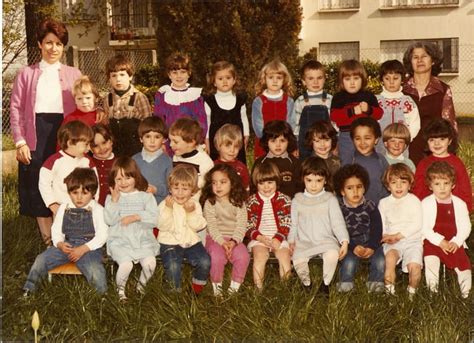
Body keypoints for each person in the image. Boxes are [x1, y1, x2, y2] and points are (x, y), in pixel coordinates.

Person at [10, 18, 82, 245]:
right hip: (35, 135)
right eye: (49, 42)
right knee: (37, 182)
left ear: (64, 47)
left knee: (65, 181)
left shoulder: (74, 73)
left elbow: (87, 100)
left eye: (59, 44)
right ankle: (48, 242)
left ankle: (70, 237)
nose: (53, 48)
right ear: (40, 44)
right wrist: (20, 141)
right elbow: (16, 108)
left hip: (65, 135)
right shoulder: (26, 73)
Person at [23, 168, 108, 295]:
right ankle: (29, 289)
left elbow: (102, 235)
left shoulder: (97, 209)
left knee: (95, 270)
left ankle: (102, 296)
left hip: (89, 248)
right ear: (69, 192)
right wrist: (59, 244)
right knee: (41, 259)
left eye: (84, 193)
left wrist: (84, 248)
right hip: (67, 245)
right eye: (75, 193)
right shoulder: (64, 208)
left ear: (93, 193)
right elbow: (56, 229)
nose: (79, 198)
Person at [288, 157, 349, 294]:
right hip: (304, 241)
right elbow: (293, 224)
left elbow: (337, 222)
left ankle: (325, 284)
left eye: (318, 181)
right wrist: (291, 241)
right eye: (309, 180)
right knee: (298, 258)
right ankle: (306, 284)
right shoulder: (297, 199)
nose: (313, 185)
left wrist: (344, 241)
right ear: (303, 179)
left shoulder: (329, 199)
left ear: (325, 180)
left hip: (325, 240)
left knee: (332, 254)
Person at [104, 157, 159, 301]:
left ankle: (141, 287)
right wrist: (115, 202)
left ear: (136, 177)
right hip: (120, 239)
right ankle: (120, 291)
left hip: (142, 238)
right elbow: (109, 220)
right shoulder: (112, 198)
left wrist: (136, 217)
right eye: (119, 179)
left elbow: (154, 219)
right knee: (126, 264)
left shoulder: (146, 196)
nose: (123, 183)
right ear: (113, 181)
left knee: (150, 263)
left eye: (127, 178)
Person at [157, 164, 211, 294]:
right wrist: (168, 210)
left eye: (185, 189)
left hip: (191, 242)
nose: (180, 192)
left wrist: (191, 213)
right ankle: (173, 291)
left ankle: (196, 289)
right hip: (169, 242)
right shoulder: (165, 204)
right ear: (170, 188)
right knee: (173, 265)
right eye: (176, 188)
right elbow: (162, 226)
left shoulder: (194, 205)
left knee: (204, 261)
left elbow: (200, 226)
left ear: (192, 190)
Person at [422, 162, 472, 298]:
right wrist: (439, 241)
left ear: (453, 185)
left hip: (454, 241)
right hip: (433, 241)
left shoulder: (460, 204)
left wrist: (457, 241)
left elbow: (465, 226)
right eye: (437, 184)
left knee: (464, 265)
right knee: (431, 261)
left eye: (446, 183)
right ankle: (433, 292)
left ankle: (466, 294)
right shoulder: (426, 203)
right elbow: (424, 227)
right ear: (430, 186)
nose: (442, 188)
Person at [402, 41, 457, 165]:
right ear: (410, 63)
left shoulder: (443, 90)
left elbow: (450, 126)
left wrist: (449, 157)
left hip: (434, 151)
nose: (420, 60)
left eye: (424, 56)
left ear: (433, 61)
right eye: (415, 57)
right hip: (404, 152)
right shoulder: (401, 90)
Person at [333, 164, 385, 293]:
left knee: (380, 261)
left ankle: (375, 286)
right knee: (349, 261)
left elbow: (377, 228)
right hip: (350, 243)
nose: (355, 192)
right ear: (342, 191)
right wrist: (353, 247)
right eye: (350, 188)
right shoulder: (339, 209)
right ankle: (345, 286)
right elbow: (338, 232)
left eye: (359, 187)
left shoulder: (370, 206)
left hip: (371, 241)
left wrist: (372, 246)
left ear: (364, 188)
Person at [200, 164, 250, 295]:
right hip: (215, 238)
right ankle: (218, 289)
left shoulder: (239, 202)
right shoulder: (210, 202)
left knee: (243, 256)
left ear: (232, 183)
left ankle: (234, 288)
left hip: (234, 238)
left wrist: (233, 242)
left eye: (223, 182)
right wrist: (222, 243)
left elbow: (241, 225)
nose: (218, 186)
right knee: (216, 257)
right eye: (214, 183)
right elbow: (211, 226)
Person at [378, 164, 422, 296]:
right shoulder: (384, 203)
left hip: (412, 240)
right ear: (387, 186)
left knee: (414, 268)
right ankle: (390, 294)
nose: (398, 186)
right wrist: (385, 235)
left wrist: (399, 235)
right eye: (394, 182)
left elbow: (417, 224)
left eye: (403, 182)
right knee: (390, 260)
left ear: (409, 185)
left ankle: (411, 293)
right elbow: (381, 223)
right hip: (392, 241)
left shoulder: (414, 201)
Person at [247, 162, 292, 290]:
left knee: (284, 256)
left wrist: (278, 238)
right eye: (261, 183)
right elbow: (248, 224)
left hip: (280, 238)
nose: (266, 187)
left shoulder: (284, 200)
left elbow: (287, 221)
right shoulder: (252, 201)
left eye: (270, 182)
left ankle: (285, 289)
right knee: (260, 256)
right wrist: (259, 237)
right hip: (260, 238)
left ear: (277, 182)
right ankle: (258, 289)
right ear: (256, 184)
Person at [39, 121, 98, 216]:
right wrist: (52, 204)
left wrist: (94, 202)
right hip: (62, 209)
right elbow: (44, 183)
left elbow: (96, 183)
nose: (89, 148)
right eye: (86, 144)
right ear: (70, 143)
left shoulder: (87, 161)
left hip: (85, 209)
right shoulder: (54, 161)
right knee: (60, 230)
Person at [330, 59, 383, 165]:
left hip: (366, 135)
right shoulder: (339, 97)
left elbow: (379, 114)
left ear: (362, 79)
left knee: (367, 161)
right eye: (347, 79)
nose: (352, 82)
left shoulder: (368, 96)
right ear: (342, 81)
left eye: (356, 78)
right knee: (346, 162)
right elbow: (334, 116)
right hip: (346, 136)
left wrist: (368, 109)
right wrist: (352, 111)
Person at [412, 119, 472, 212]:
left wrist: (465, 209)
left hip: (453, 210)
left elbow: (465, 189)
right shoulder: (423, 164)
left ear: (450, 141)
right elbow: (418, 190)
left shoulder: (457, 163)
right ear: (427, 142)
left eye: (442, 139)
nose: (437, 143)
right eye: (432, 140)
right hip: (429, 210)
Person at [154, 52, 207, 155]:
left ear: (189, 73)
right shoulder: (162, 95)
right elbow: (158, 122)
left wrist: (197, 142)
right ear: (169, 74)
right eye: (174, 72)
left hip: (191, 144)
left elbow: (202, 123)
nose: (179, 76)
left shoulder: (196, 96)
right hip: (169, 146)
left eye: (183, 72)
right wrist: (162, 143)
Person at [103, 54, 152, 157]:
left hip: (136, 151)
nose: (118, 79)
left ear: (130, 76)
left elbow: (149, 126)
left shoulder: (139, 98)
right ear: (109, 79)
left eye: (122, 75)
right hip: (116, 152)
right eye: (114, 76)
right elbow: (106, 125)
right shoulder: (107, 99)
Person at [204, 61, 249, 164]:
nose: (224, 81)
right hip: (217, 142)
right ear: (214, 82)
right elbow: (207, 121)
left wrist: (246, 134)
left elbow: (244, 117)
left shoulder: (240, 98)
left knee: (238, 163)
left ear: (234, 80)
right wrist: (206, 141)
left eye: (228, 78)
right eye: (220, 79)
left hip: (236, 139)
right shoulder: (210, 100)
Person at [289, 60, 333, 160]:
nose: (315, 82)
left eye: (319, 78)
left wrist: (335, 143)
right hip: (305, 145)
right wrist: (295, 145)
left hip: (324, 144)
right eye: (311, 78)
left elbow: (334, 124)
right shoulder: (300, 101)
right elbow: (295, 126)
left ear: (325, 79)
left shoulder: (330, 99)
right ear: (304, 81)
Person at [252, 59, 294, 158]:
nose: (275, 81)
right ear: (264, 79)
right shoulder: (258, 101)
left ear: (284, 80)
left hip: (283, 144)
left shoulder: (288, 101)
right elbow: (258, 127)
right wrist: (270, 141)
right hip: (263, 144)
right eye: (271, 77)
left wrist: (283, 140)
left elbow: (291, 124)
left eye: (279, 78)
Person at [375, 60, 420, 155]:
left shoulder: (407, 101)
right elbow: (371, 123)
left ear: (402, 79)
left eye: (395, 78)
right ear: (382, 80)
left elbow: (415, 123)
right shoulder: (376, 101)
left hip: (400, 148)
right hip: (379, 146)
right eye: (387, 79)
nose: (391, 82)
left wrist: (407, 138)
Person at [250, 120, 303, 198]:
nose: (278, 145)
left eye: (282, 141)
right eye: (273, 141)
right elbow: (253, 188)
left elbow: (300, 189)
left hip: (289, 206)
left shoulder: (295, 163)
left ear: (289, 141)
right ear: (266, 142)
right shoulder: (260, 162)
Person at [169, 117, 214, 201]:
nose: (171, 145)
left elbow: (207, 188)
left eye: (175, 142)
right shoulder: (176, 158)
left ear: (191, 142)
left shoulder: (204, 161)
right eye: (170, 140)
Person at [349, 117, 389, 205]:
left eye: (367, 138)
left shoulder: (381, 160)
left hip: (379, 208)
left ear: (376, 140)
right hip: (356, 210)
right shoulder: (350, 161)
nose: (362, 142)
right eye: (358, 138)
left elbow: (388, 184)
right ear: (353, 140)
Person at [132, 116, 172, 206]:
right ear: (141, 139)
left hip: (159, 206)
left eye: (157, 137)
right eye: (148, 136)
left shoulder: (167, 161)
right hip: (138, 205)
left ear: (164, 140)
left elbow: (171, 187)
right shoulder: (134, 160)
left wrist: (156, 190)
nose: (152, 141)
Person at [213, 124, 251, 190]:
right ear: (218, 146)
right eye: (228, 146)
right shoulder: (213, 166)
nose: (232, 150)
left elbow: (246, 189)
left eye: (236, 146)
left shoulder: (241, 168)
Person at [305, 119, 340, 188]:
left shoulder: (338, 161)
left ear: (332, 140)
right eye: (317, 141)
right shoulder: (308, 164)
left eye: (326, 140)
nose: (322, 144)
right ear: (311, 142)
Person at [90, 124, 116, 206]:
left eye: (104, 143)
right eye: (96, 146)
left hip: (114, 209)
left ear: (111, 141)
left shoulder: (120, 163)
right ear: (90, 148)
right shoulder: (87, 164)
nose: (102, 148)